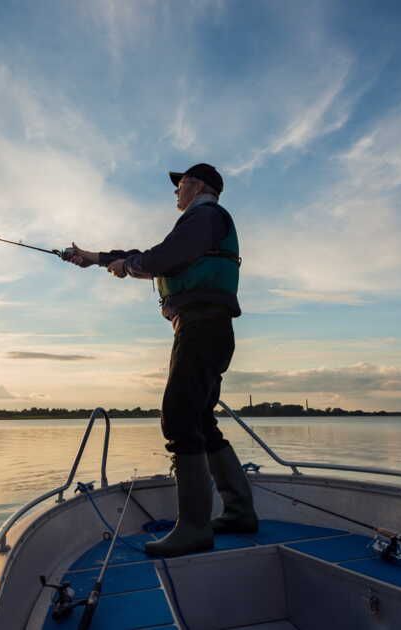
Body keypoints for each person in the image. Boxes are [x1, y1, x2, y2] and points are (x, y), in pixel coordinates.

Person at [67, 163, 259, 557]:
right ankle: (239, 512)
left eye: (181, 183)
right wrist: (95, 257)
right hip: (206, 327)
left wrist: (130, 266)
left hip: (201, 326)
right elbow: (152, 255)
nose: (175, 191)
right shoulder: (202, 222)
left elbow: (161, 257)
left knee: (178, 417)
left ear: (200, 185)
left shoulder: (205, 216)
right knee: (201, 420)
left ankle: (193, 530)